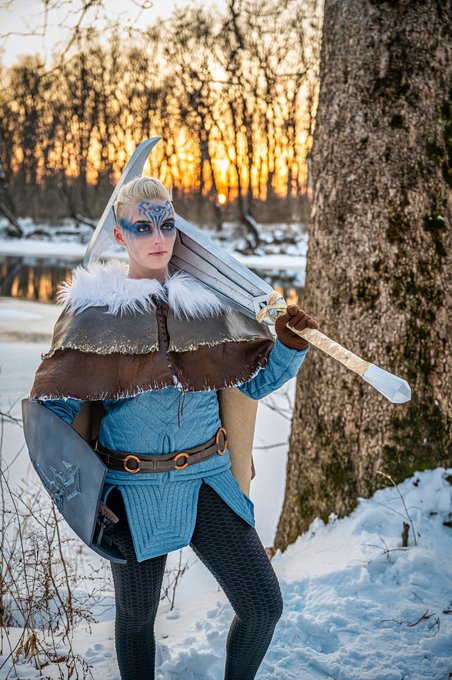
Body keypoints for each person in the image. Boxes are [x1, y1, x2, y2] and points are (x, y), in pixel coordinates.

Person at [29, 176, 319, 680]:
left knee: (262, 607)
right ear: (119, 235)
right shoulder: (94, 315)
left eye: (167, 223)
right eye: (142, 227)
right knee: (136, 619)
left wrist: (289, 347)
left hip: (208, 480)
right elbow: (49, 415)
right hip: (132, 490)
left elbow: (252, 382)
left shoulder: (208, 306)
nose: (158, 237)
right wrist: (82, 496)